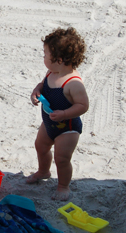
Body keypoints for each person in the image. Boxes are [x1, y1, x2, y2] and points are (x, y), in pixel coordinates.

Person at [27, 28, 89, 200]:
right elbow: (42, 84)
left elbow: (83, 106)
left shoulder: (73, 83)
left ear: (59, 60)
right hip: (48, 123)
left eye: (45, 54)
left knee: (61, 159)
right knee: (41, 146)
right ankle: (43, 171)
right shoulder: (52, 72)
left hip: (67, 129)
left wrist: (64, 113)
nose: (43, 57)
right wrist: (36, 91)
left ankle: (63, 186)